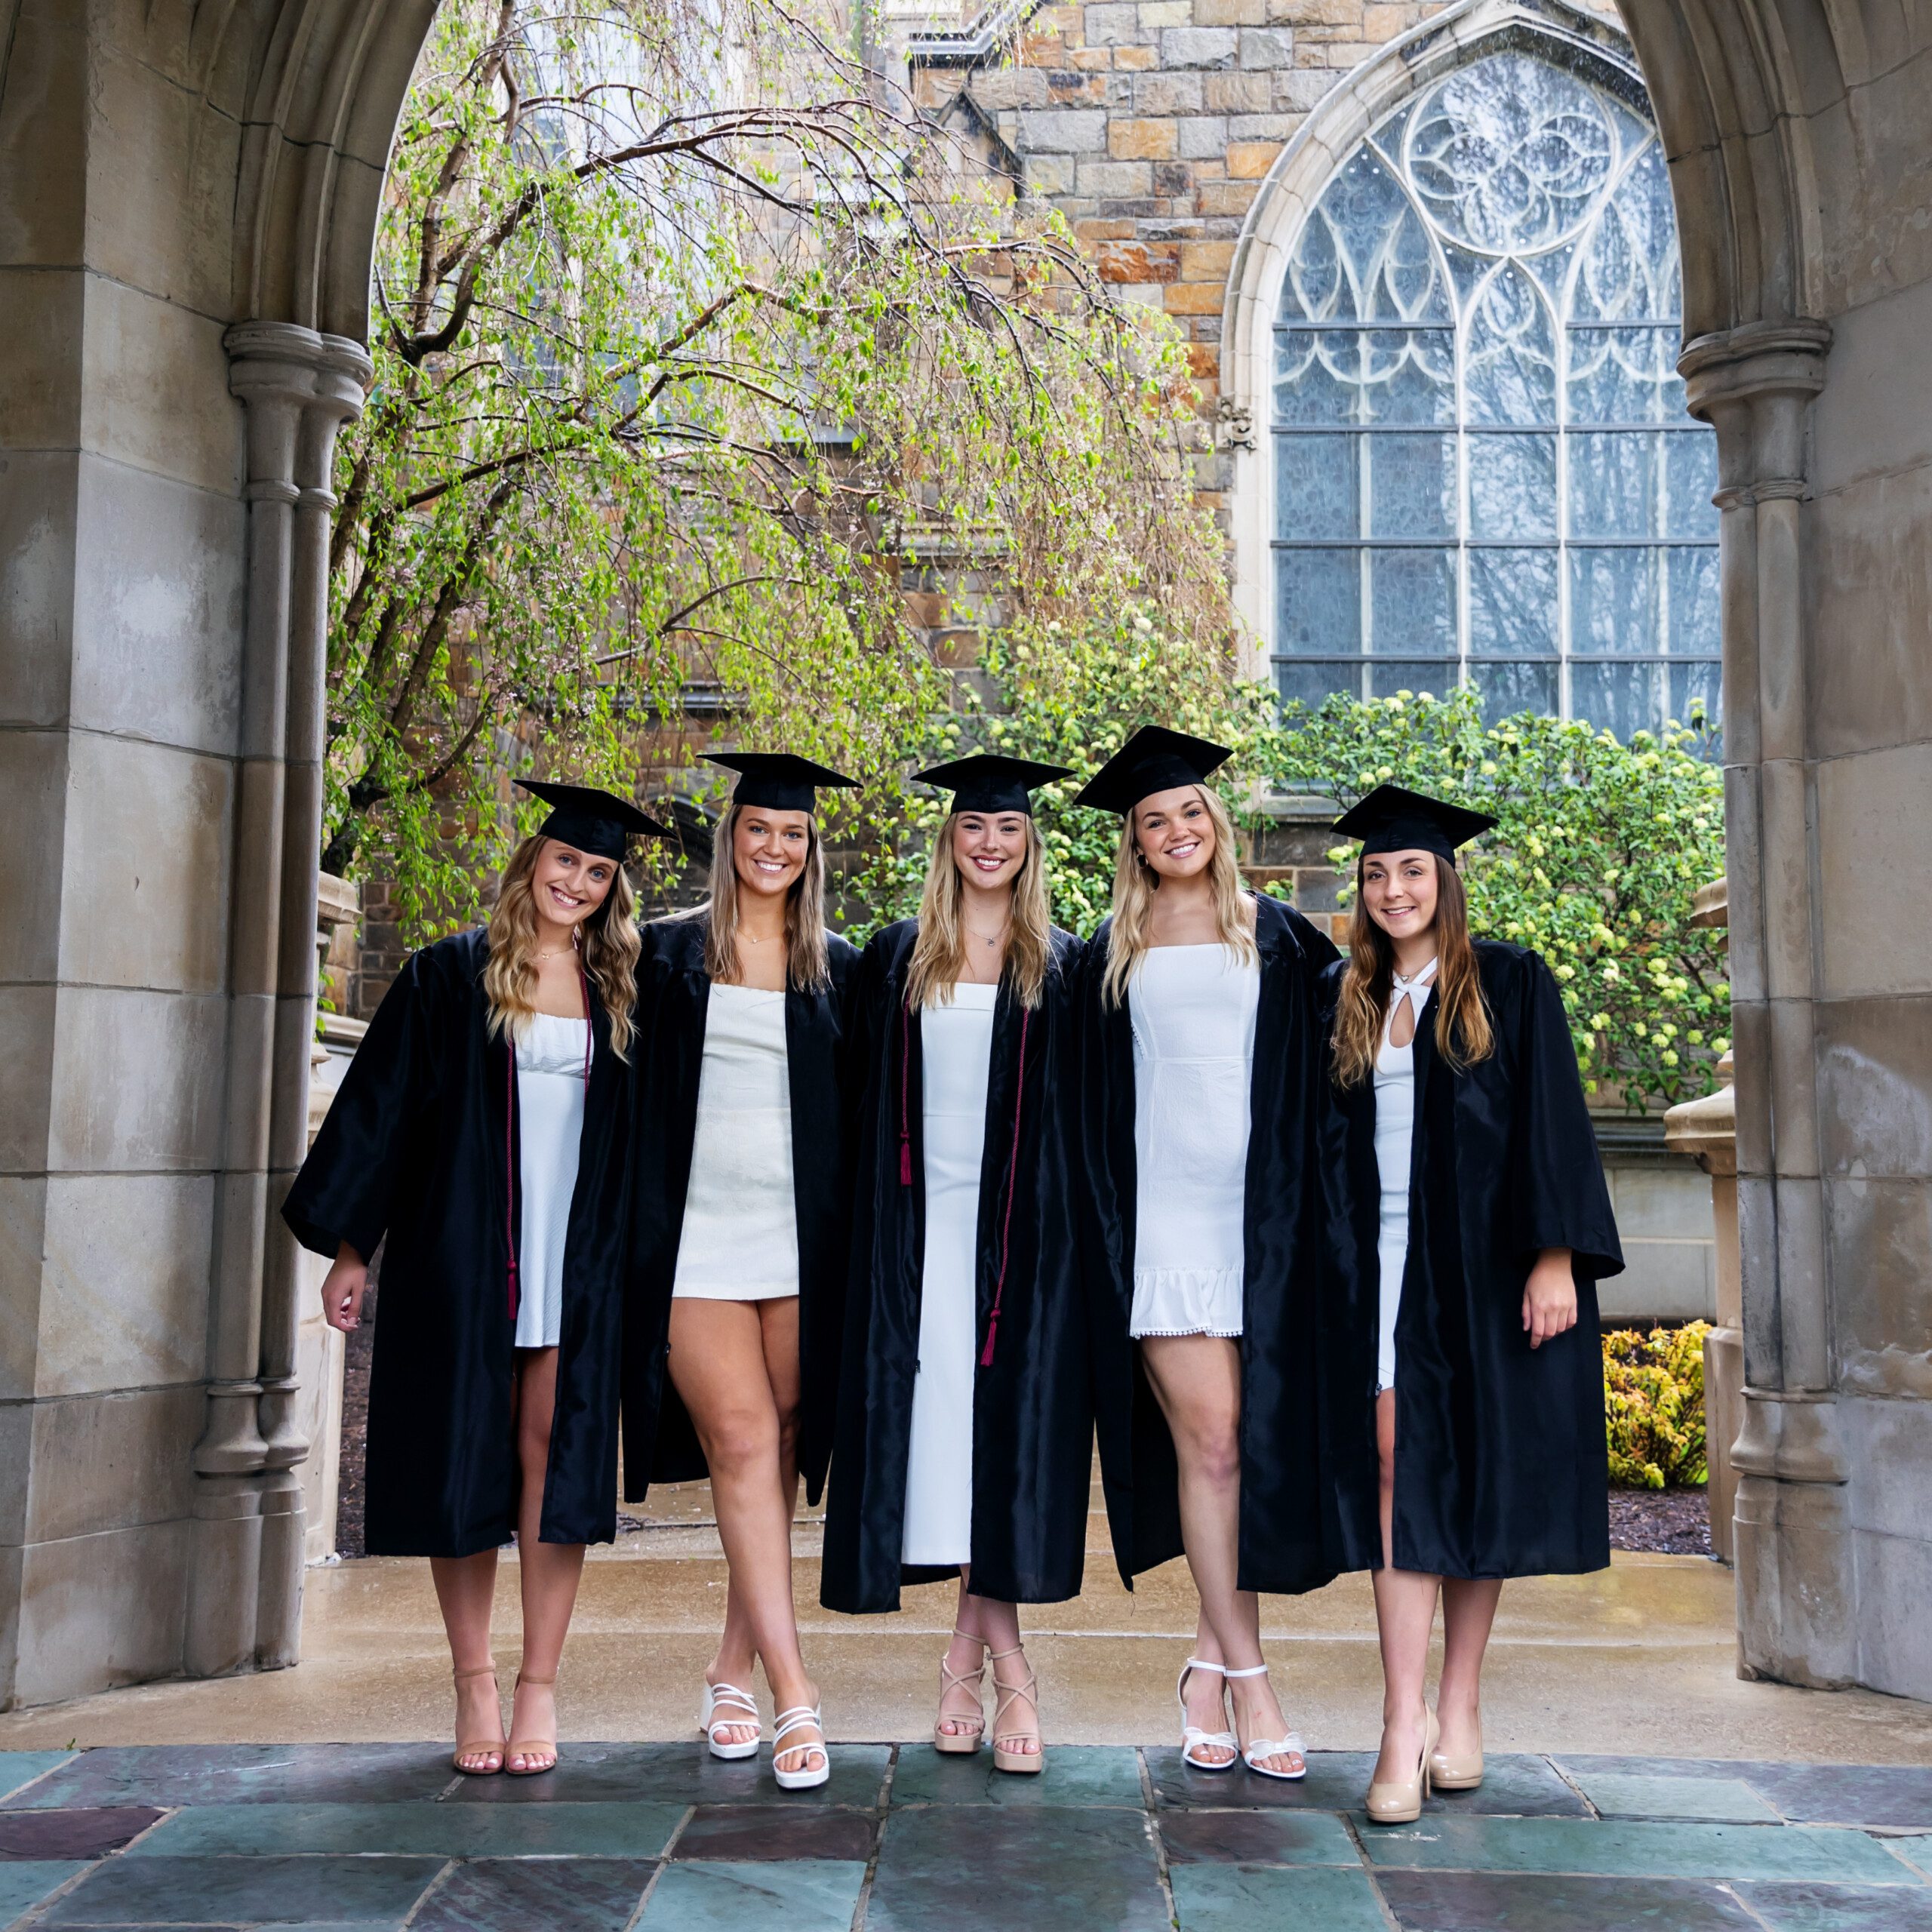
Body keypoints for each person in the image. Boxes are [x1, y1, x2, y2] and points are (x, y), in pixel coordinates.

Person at [285, 780, 663, 1777]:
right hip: (462, 1252)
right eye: (565, 861)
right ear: (530, 861)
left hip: (573, 1264)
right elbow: (381, 1120)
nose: (576, 882)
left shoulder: (622, 988)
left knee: (557, 1462)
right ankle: (474, 1684)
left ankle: (539, 1683)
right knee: (465, 1459)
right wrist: (354, 1252)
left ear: (612, 882)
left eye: (596, 869)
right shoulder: (449, 976)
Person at [1315, 784, 1623, 1824]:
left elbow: (1552, 1119)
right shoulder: (1347, 995)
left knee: (1478, 1473)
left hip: (1484, 1269)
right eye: (1376, 873)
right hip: (1380, 1269)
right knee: (1399, 1467)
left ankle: (1461, 1702)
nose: (1393, 888)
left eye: (1412, 870)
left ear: (1445, 881)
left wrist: (1554, 1259)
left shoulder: (1507, 982)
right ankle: (1400, 1722)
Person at [1075, 727, 1339, 1782]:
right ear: (1134, 843)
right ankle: (1253, 1678)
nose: (1175, 830)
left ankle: (1202, 1667)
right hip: (1165, 1232)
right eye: (1154, 820)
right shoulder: (1110, 953)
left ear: (1214, 825)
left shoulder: (1277, 935)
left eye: (1190, 813)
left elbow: (1344, 1068)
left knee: (1246, 1453)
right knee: (1213, 1444)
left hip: (1262, 1229)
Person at [822, 754, 1088, 1774]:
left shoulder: (1058, 965)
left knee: (1000, 1457)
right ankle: (1000, 1665)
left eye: (1008, 831)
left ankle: (975, 1664)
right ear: (950, 841)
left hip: (1023, 1246)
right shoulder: (896, 956)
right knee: (945, 1456)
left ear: (1030, 846)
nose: (989, 844)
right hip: (914, 1242)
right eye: (973, 828)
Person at [622, 753, 860, 1792]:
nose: (775, 847)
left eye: (793, 834)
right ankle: (795, 1694)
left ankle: (728, 1666)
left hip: (801, 1242)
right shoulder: (663, 955)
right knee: (742, 1437)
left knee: (780, 1451)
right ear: (732, 839)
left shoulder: (838, 967)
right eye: (758, 829)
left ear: (812, 849)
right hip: (696, 1245)